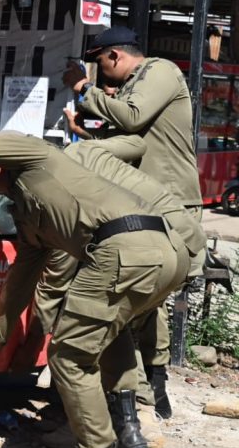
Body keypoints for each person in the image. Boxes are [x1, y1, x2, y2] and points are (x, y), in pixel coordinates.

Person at [0, 132, 188, 448]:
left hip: (130, 247)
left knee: (68, 355)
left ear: (1, 157)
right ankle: (128, 431)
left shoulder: (35, 154)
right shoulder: (28, 215)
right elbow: (17, 289)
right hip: (162, 250)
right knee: (108, 331)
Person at [63, 25, 201, 419]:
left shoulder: (161, 71)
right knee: (136, 299)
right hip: (139, 204)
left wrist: (82, 89)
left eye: (99, 65)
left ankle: (152, 390)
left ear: (115, 56)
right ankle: (136, 393)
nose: (99, 73)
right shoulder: (132, 84)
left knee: (151, 300)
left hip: (170, 202)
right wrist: (84, 134)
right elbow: (125, 143)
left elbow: (133, 117)